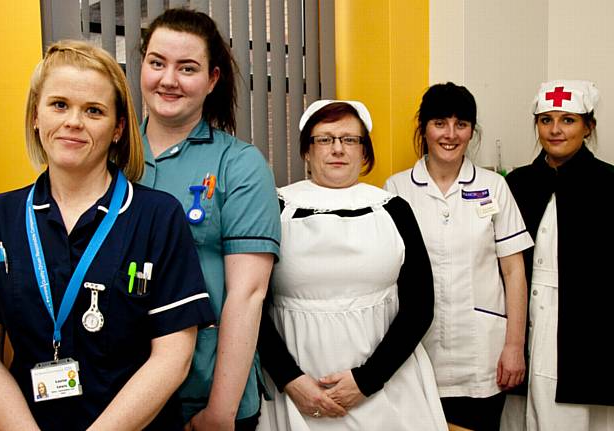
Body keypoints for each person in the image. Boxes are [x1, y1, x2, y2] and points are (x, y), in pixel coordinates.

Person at [0, 40, 214, 431]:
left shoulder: (157, 216)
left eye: (94, 111)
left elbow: (173, 357)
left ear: (118, 128)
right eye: (59, 105)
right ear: (36, 115)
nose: (73, 121)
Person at [257, 100, 448, 431]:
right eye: (325, 139)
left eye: (349, 139)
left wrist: (367, 380)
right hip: (295, 390)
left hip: (388, 387)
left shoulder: (394, 209)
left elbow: (420, 306)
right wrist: (290, 379)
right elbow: (250, 302)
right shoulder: (273, 207)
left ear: (364, 152)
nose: (337, 149)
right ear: (307, 150)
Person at [138, 8, 281, 431]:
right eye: (157, 63)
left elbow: (248, 293)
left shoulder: (238, 164)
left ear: (212, 79)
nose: (169, 79)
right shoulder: (112, 159)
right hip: (118, 390)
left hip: (205, 391)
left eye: (188, 68)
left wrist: (220, 412)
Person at [384, 82, 533, 431]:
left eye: (461, 124)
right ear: (423, 128)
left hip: (483, 354)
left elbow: (514, 272)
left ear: (472, 131)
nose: (450, 134)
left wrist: (515, 346)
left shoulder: (494, 186)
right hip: (417, 352)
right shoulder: (396, 189)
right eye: (440, 123)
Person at [502, 80, 614, 431]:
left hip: (584, 326)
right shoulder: (517, 183)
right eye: (546, 119)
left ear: (589, 126)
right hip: (522, 316)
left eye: (568, 120)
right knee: (519, 415)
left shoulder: (609, 184)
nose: (554, 130)